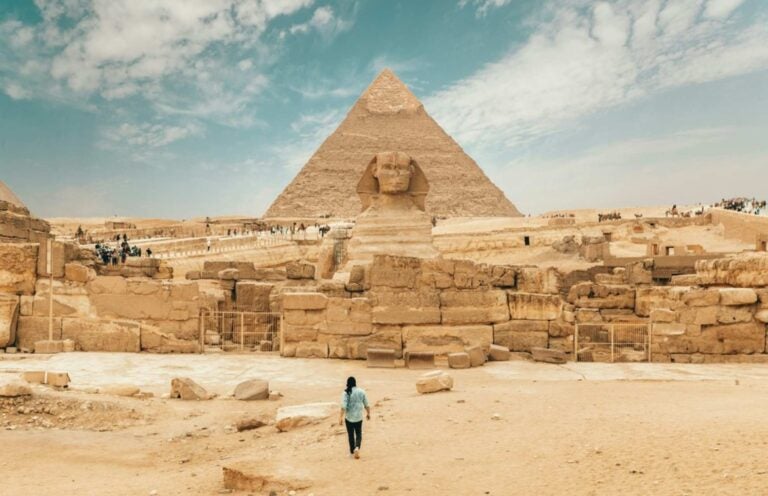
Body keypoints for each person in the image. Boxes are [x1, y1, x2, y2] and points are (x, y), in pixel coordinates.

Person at [338, 376, 370, 459]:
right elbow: (367, 404)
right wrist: (368, 413)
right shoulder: (361, 391)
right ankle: (357, 447)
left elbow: (343, 406)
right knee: (359, 434)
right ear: (355, 383)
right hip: (359, 417)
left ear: (348, 383)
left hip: (349, 418)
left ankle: (352, 450)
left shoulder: (346, 393)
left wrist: (340, 417)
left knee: (350, 435)